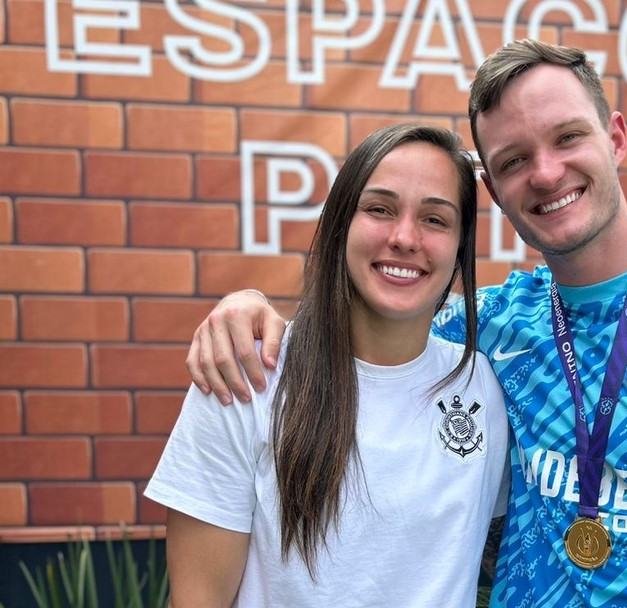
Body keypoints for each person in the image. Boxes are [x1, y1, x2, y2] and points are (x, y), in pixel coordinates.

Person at [186, 40, 627, 607]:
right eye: (512, 161)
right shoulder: (485, 334)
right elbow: (373, 332)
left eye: (567, 138)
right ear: (494, 189)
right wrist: (249, 310)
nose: (546, 172)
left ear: (614, 138)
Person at [146, 124, 510, 607]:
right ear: (341, 224)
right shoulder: (250, 377)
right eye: (379, 209)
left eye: (435, 219)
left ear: (461, 246)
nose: (404, 237)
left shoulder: (483, 385)